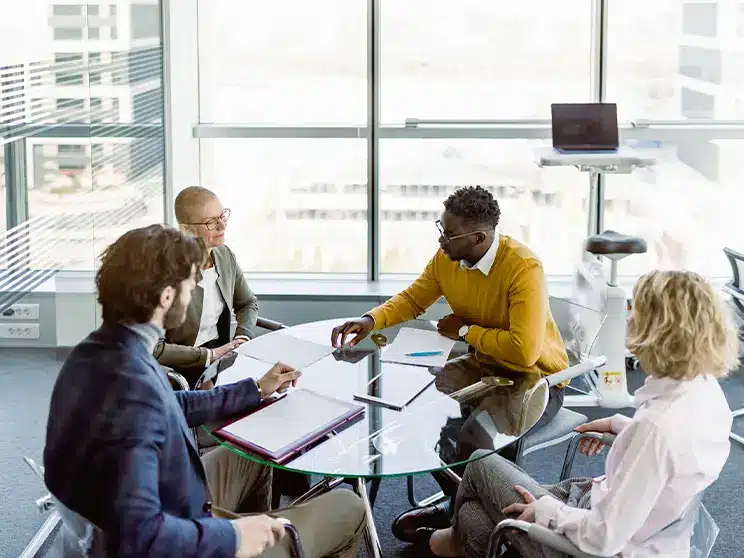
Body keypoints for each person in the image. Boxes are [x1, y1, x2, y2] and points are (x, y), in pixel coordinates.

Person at [44, 225, 365, 558]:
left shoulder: (95, 354)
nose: (194, 287)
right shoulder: (132, 391)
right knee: (349, 505)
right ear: (166, 297)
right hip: (175, 539)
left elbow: (169, 405)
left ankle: (263, 538)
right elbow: (140, 539)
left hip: (173, 504)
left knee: (255, 453)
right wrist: (234, 537)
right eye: (189, 283)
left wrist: (255, 389)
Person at [421, 270, 738, 558]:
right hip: (617, 509)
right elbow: (675, 458)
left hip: (592, 542)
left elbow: (605, 538)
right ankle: (468, 540)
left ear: (660, 332)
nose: (628, 319)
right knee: (474, 518)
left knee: (480, 463)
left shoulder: (656, 430)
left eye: (636, 312)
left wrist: (548, 512)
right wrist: (622, 428)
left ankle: (453, 540)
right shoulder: (705, 392)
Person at [330, 186, 569, 539]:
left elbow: (524, 351)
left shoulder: (523, 267)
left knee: (474, 437)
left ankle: (488, 523)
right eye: (440, 228)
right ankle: (462, 502)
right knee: (414, 415)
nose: (441, 240)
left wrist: (466, 330)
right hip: (483, 363)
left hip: (535, 379)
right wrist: (371, 320)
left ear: (478, 237)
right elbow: (414, 297)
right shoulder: (448, 259)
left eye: (449, 233)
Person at [154, 186, 258, 388]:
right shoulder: (165, 270)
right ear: (186, 229)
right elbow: (154, 348)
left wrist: (243, 337)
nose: (222, 226)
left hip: (219, 361)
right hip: (176, 368)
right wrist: (210, 356)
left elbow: (248, 303)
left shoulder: (224, 255)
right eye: (211, 222)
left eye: (222, 216)